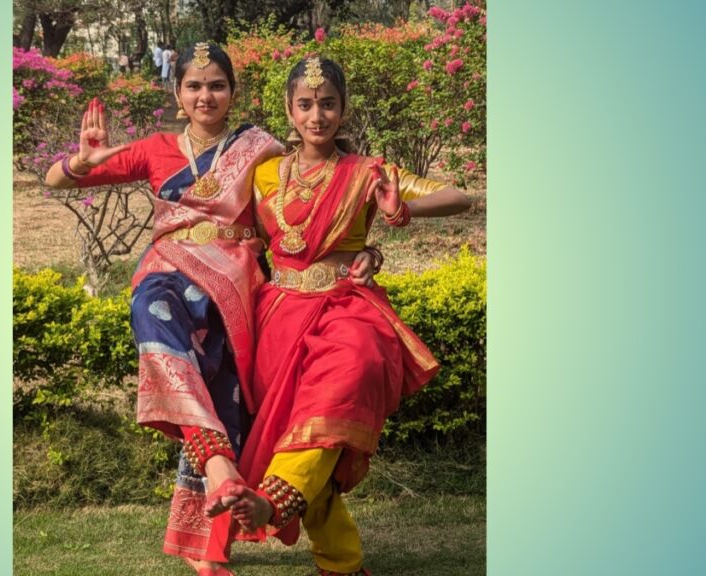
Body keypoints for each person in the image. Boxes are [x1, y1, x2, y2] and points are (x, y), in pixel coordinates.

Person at [45, 43, 376, 576]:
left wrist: (363, 251)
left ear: (233, 93)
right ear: (177, 94)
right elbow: (56, 180)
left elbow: (315, 204)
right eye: (194, 86)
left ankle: (210, 544)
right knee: (152, 313)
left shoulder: (260, 150)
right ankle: (217, 466)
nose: (206, 96)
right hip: (170, 274)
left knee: (225, 400)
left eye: (217, 85)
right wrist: (80, 161)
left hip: (237, 286)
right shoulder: (155, 148)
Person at [217, 56, 472, 576]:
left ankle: (273, 502)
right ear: (289, 109)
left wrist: (400, 211)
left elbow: (458, 197)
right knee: (313, 437)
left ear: (344, 108)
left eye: (328, 104)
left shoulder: (368, 173)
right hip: (278, 318)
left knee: (345, 379)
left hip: (345, 310)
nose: (318, 116)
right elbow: (224, 227)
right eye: (306, 104)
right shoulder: (262, 173)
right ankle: (342, 564)